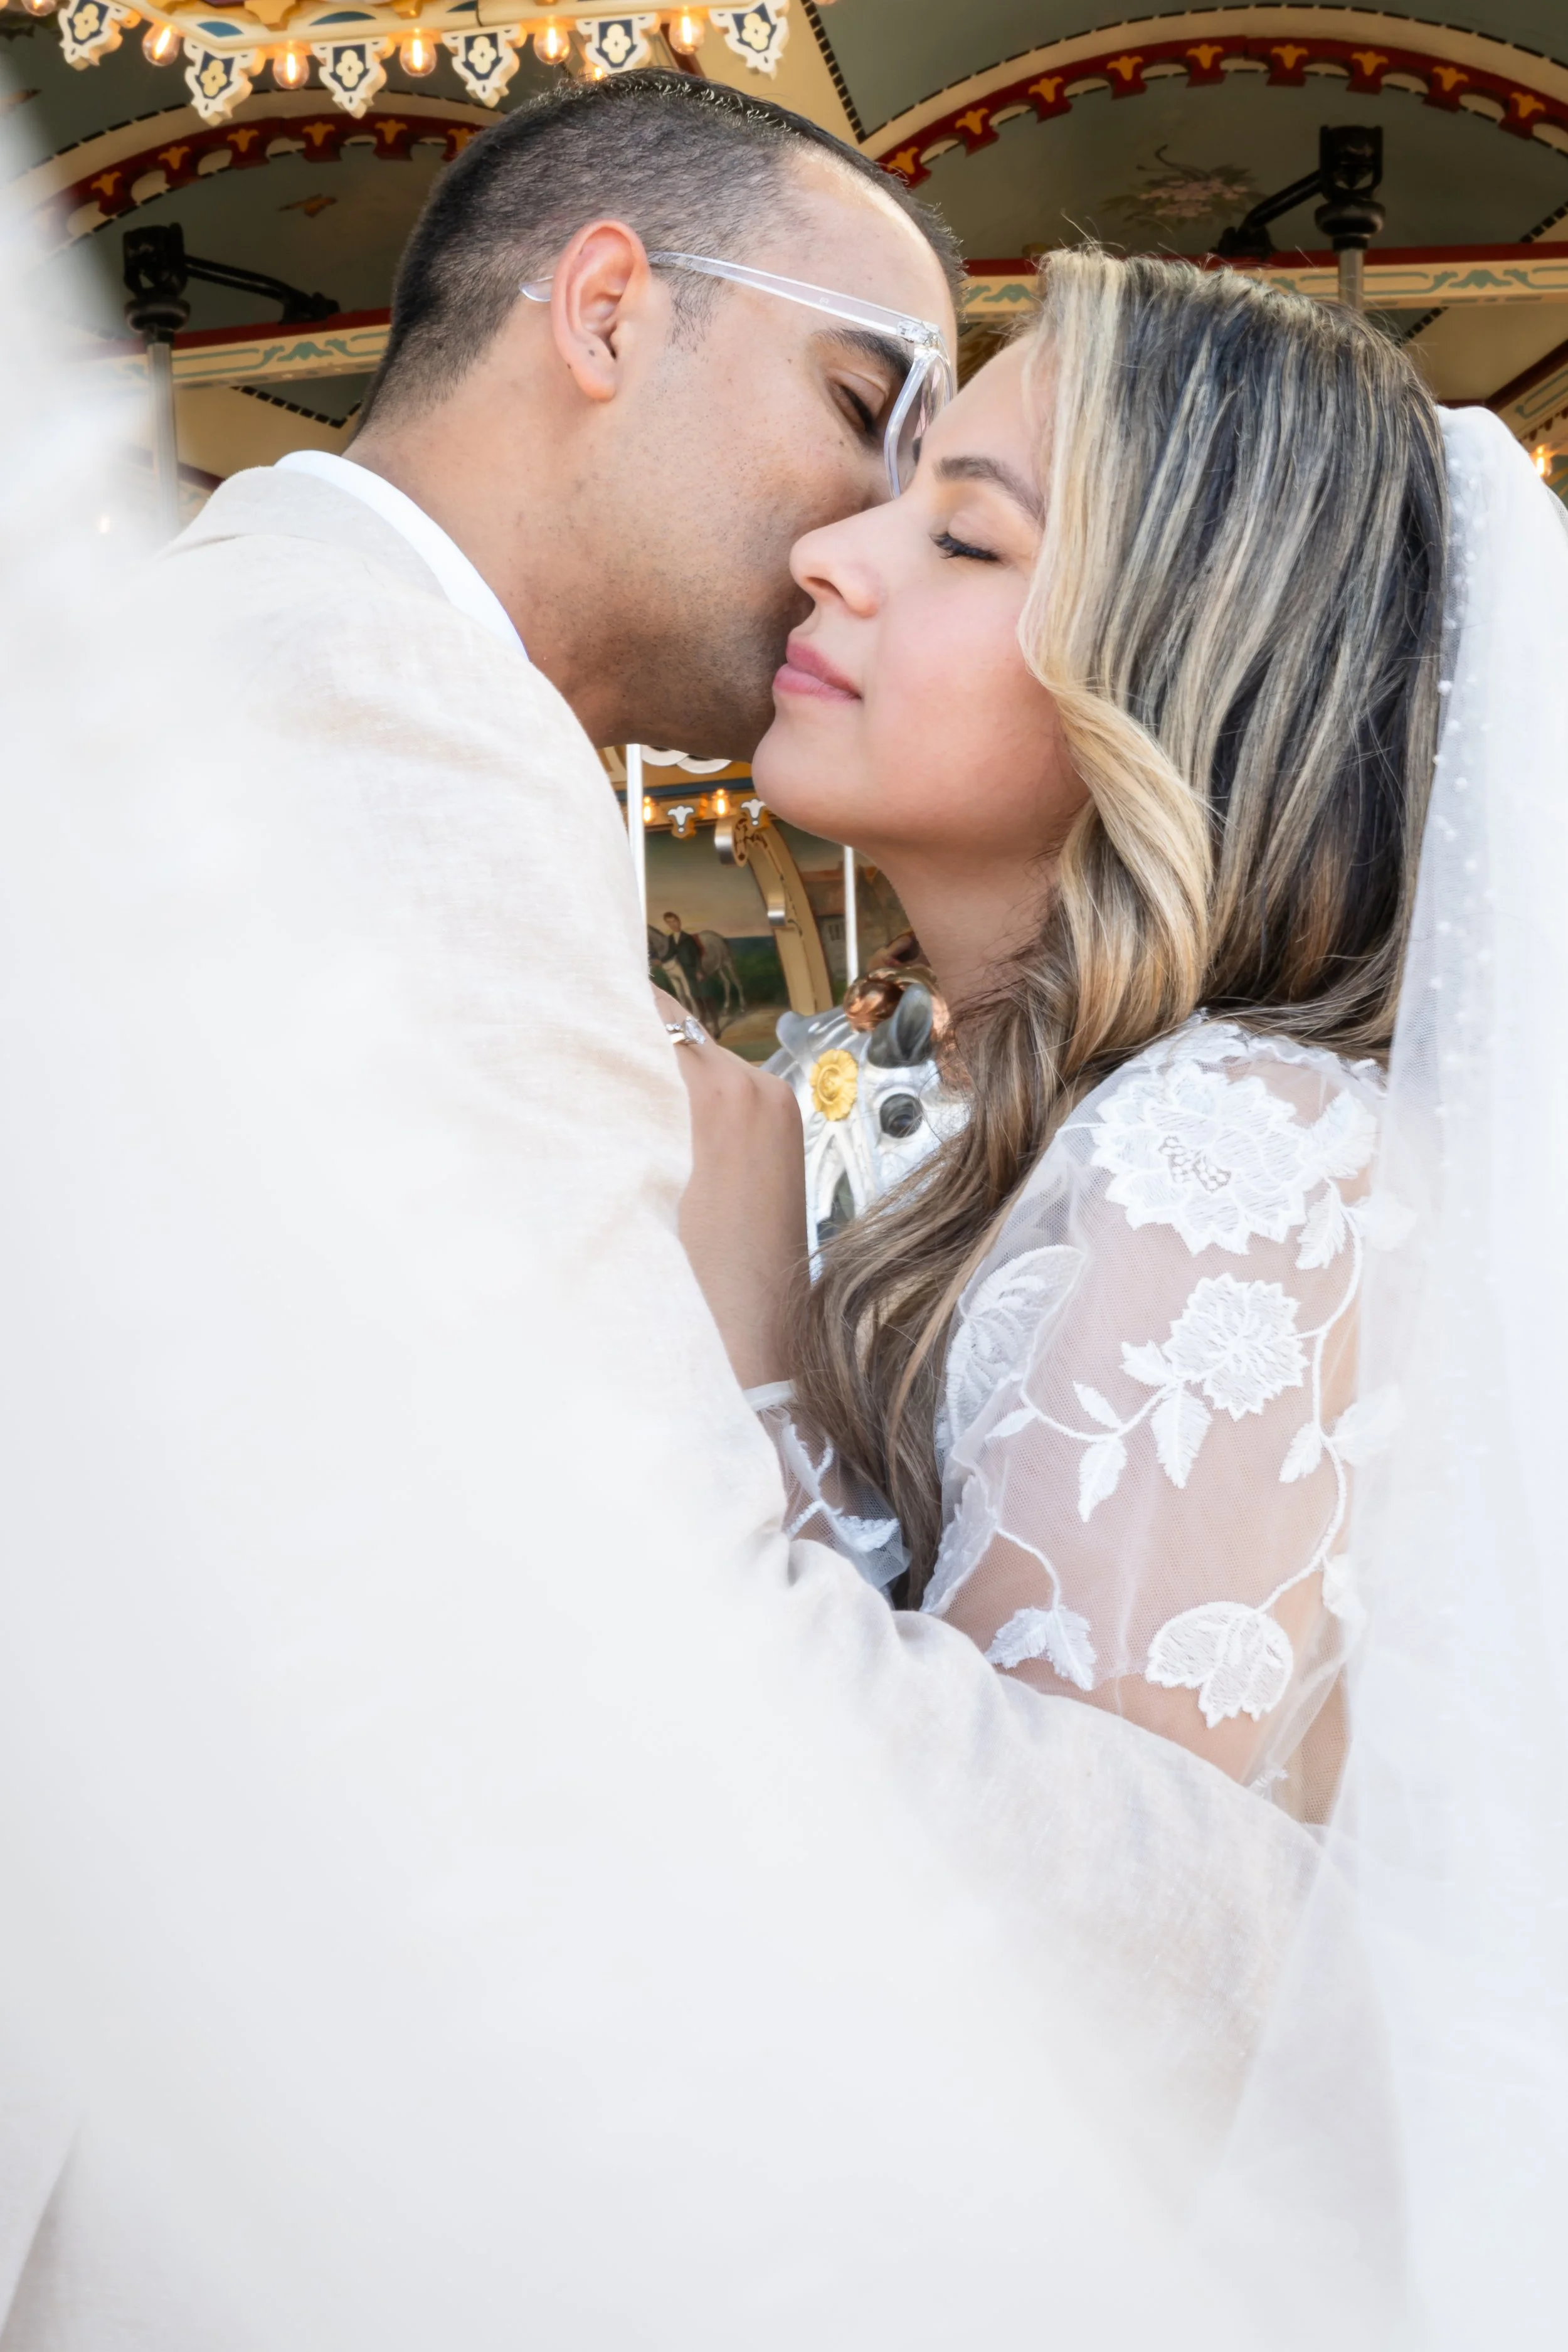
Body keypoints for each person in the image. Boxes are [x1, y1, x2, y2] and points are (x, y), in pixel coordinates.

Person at [0, 77, 1337, 2352]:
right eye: (865, 406)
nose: (858, 529)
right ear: (605, 307)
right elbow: (616, 1669)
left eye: (956, 509)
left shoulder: (319, 699)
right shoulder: (361, 723)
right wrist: (1339, 1954)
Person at [674, 246, 1568, 2336]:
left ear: (1181, 672)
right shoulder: (1058, 1134)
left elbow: (1060, 1994)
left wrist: (743, 1356)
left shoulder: (1236, 1148)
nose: (833, 549)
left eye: (965, 528)